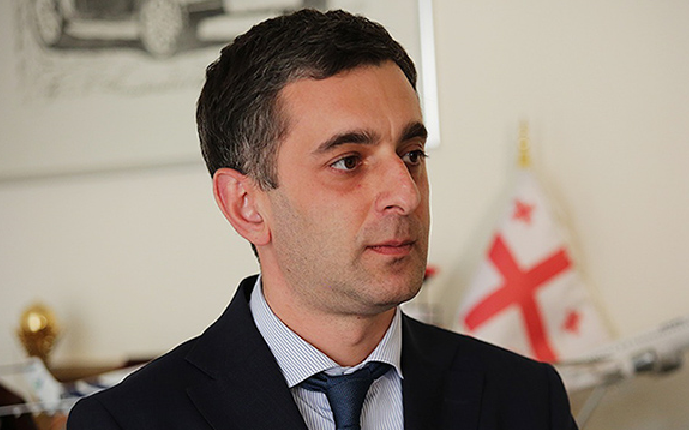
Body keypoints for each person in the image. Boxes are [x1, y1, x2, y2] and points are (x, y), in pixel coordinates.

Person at [67, 9, 578, 430]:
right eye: (348, 162)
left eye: (412, 155)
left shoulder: (526, 400)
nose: (406, 194)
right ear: (246, 205)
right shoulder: (127, 422)